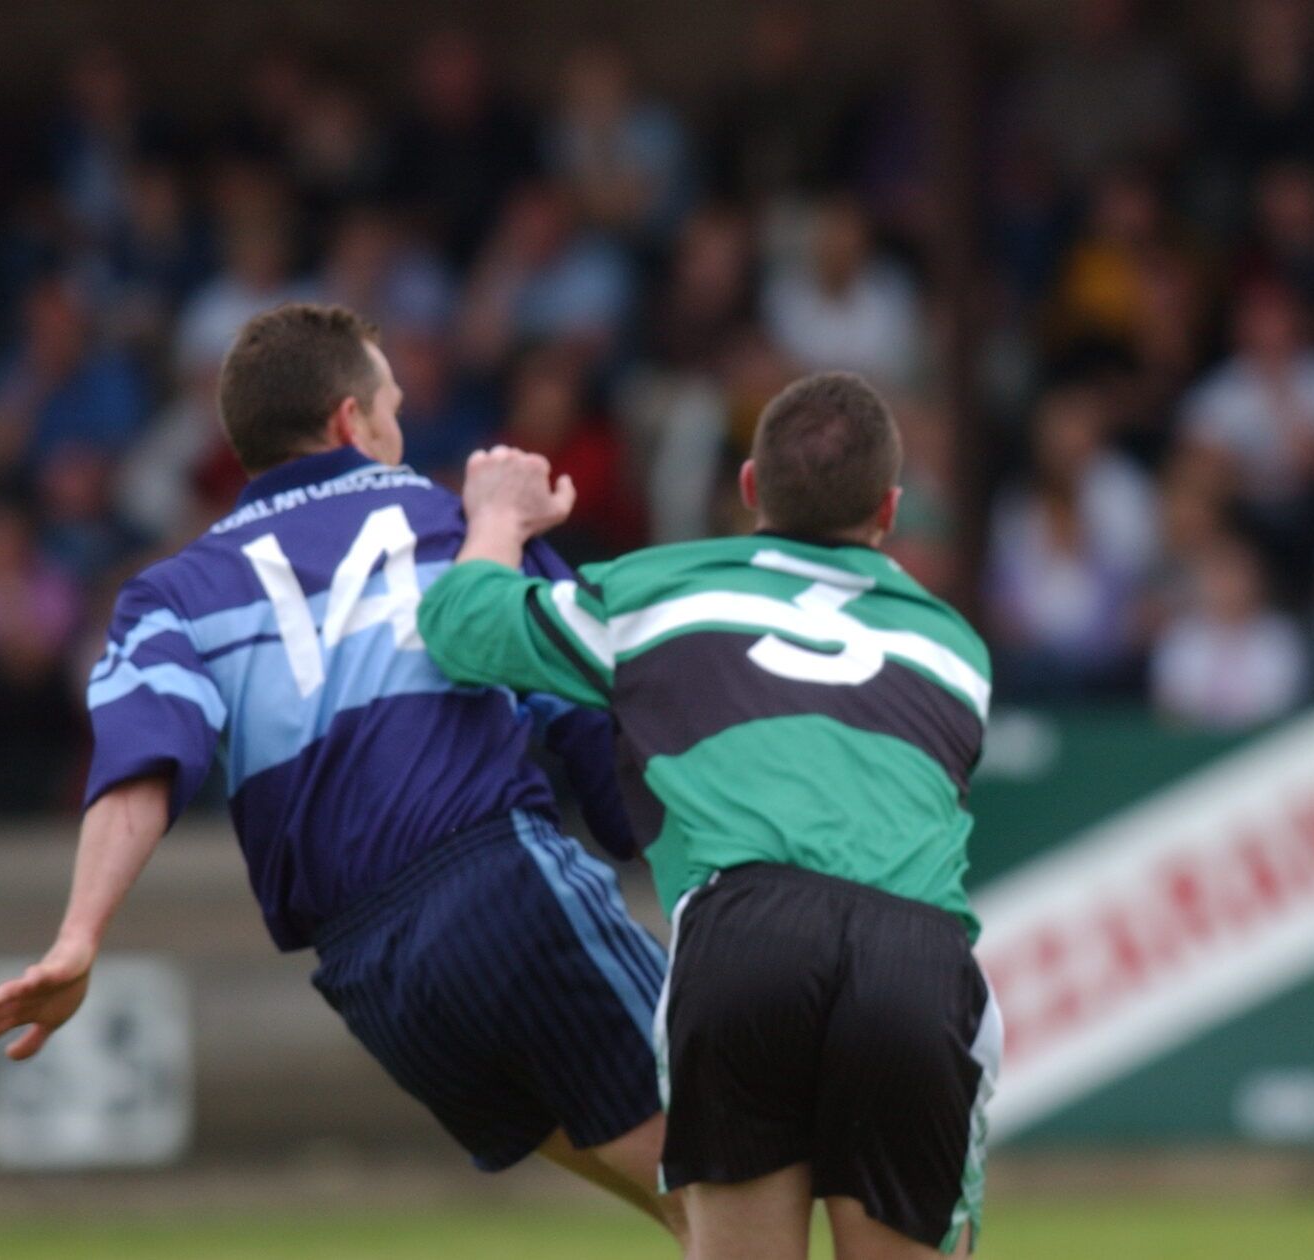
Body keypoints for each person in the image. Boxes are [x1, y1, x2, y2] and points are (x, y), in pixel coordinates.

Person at [0, 304, 683, 1243]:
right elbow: (595, 723)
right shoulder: (461, 522)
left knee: (693, 1207)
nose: (399, 428)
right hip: (502, 888)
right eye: (393, 408)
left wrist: (78, 938)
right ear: (350, 421)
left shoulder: (171, 592)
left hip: (375, 979)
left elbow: (140, 764)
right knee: (743, 1172)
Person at [417, 372, 998, 1259]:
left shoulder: (658, 592)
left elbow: (460, 625)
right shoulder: (957, 650)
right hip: (915, 951)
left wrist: (498, 515)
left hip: (746, 933)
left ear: (752, 487)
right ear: (889, 509)